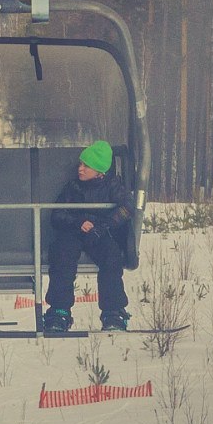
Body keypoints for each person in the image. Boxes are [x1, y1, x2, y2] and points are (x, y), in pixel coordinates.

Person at [43, 140, 134, 332]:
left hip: (99, 233)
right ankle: (59, 311)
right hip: (73, 232)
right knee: (62, 256)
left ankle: (113, 312)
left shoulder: (112, 186)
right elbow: (57, 215)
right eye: (80, 164)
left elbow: (127, 207)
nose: (80, 169)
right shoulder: (73, 187)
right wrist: (77, 222)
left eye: (86, 166)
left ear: (99, 171)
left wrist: (103, 226)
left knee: (111, 258)